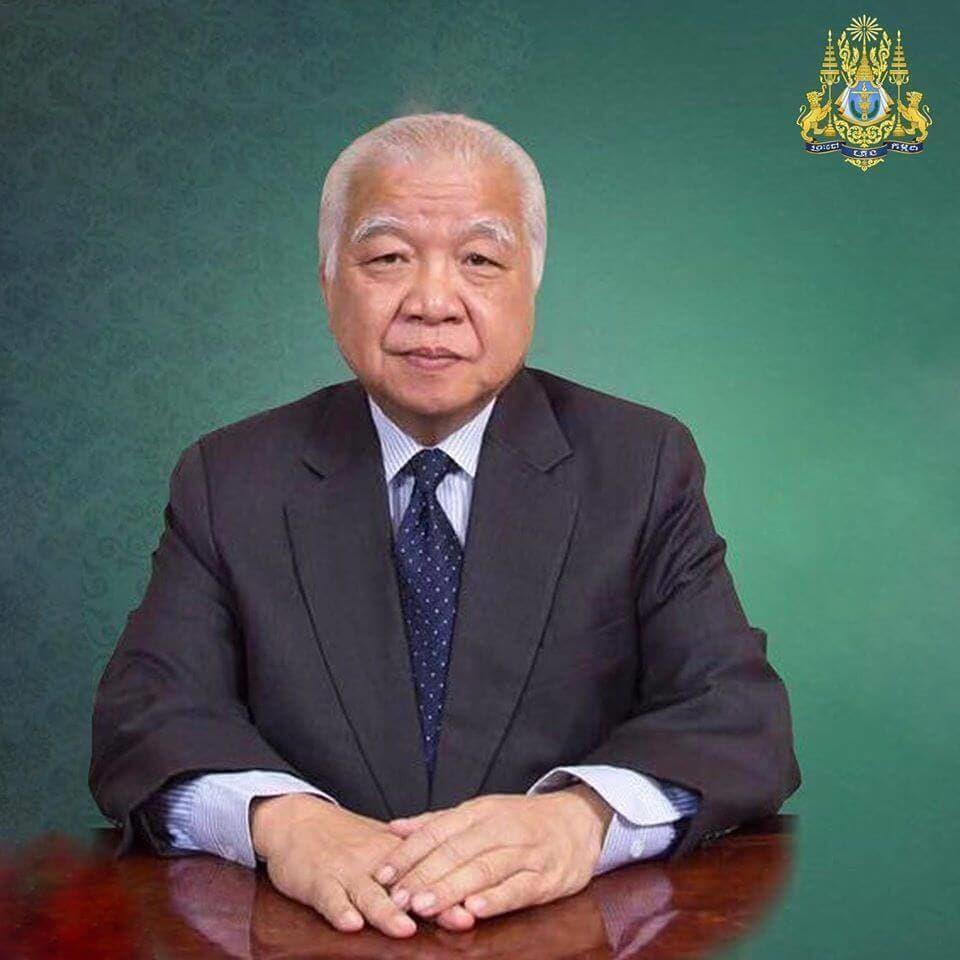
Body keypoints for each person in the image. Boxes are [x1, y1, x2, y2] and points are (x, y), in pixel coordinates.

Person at [89, 112, 800, 939]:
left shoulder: (640, 464)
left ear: (531, 282)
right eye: (388, 258)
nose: (432, 303)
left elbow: (738, 717)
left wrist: (580, 822)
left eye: (480, 261)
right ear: (328, 282)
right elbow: (146, 719)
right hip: (311, 937)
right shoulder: (229, 477)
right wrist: (283, 824)